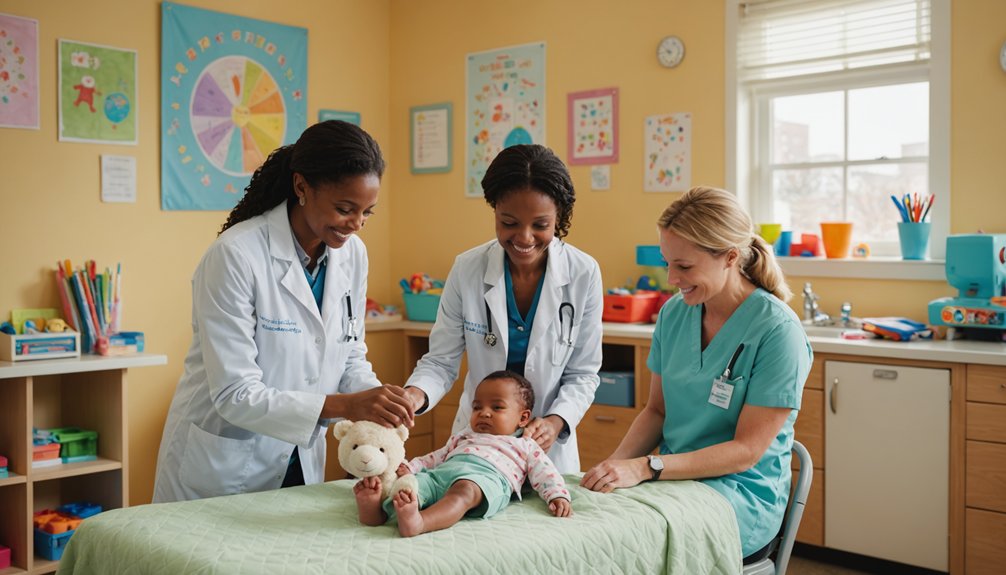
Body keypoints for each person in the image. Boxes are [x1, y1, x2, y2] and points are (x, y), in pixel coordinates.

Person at [153, 120, 416, 503]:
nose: (356, 225)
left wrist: (378, 406)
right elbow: (235, 393)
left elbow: (349, 354)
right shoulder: (236, 255)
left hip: (299, 456)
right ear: (301, 187)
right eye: (345, 209)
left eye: (367, 213)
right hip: (225, 464)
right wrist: (347, 405)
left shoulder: (352, 255)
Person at [580, 186, 812, 561]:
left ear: (730, 257)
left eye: (684, 267)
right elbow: (657, 411)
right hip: (671, 480)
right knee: (599, 524)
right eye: (667, 262)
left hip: (740, 493)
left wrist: (646, 467)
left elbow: (746, 452)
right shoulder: (675, 314)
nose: (672, 277)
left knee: (631, 545)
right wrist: (614, 469)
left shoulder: (777, 331)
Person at [401, 144, 603, 474]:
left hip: (545, 449)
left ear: (560, 218)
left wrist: (555, 421)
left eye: (540, 224)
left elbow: (583, 373)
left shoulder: (583, 273)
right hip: (478, 441)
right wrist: (415, 395)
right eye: (509, 222)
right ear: (494, 210)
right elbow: (441, 360)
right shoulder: (468, 269)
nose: (524, 238)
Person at [355, 370, 572, 536]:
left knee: (463, 493)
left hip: (483, 480)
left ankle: (420, 523)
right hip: (442, 475)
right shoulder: (464, 435)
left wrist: (557, 495)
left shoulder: (525, 445)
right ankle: (376, 513)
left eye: (497, 408)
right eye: (477, 407)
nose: (484, 413)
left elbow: (546, 473)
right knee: (411, 487)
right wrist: (411, 468)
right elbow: (436, 457)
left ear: (523, 418)